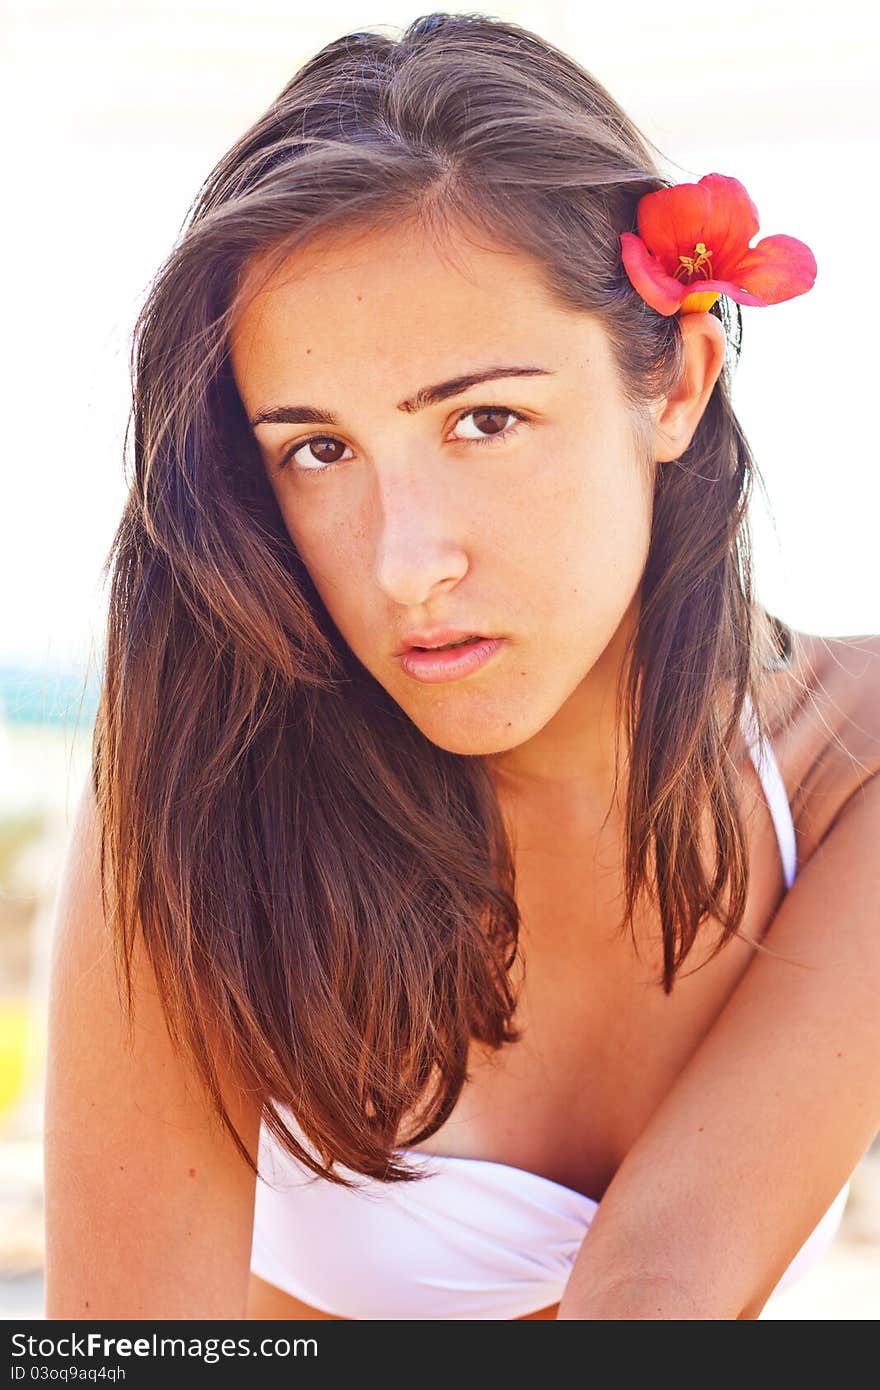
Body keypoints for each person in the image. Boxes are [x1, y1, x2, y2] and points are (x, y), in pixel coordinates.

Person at [44, 12, 880, 1321]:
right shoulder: (198, 788)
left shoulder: (849, 770)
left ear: (676, 383)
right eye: (318, 449)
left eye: (484, 420)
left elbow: (661, 1289)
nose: (404, 563)